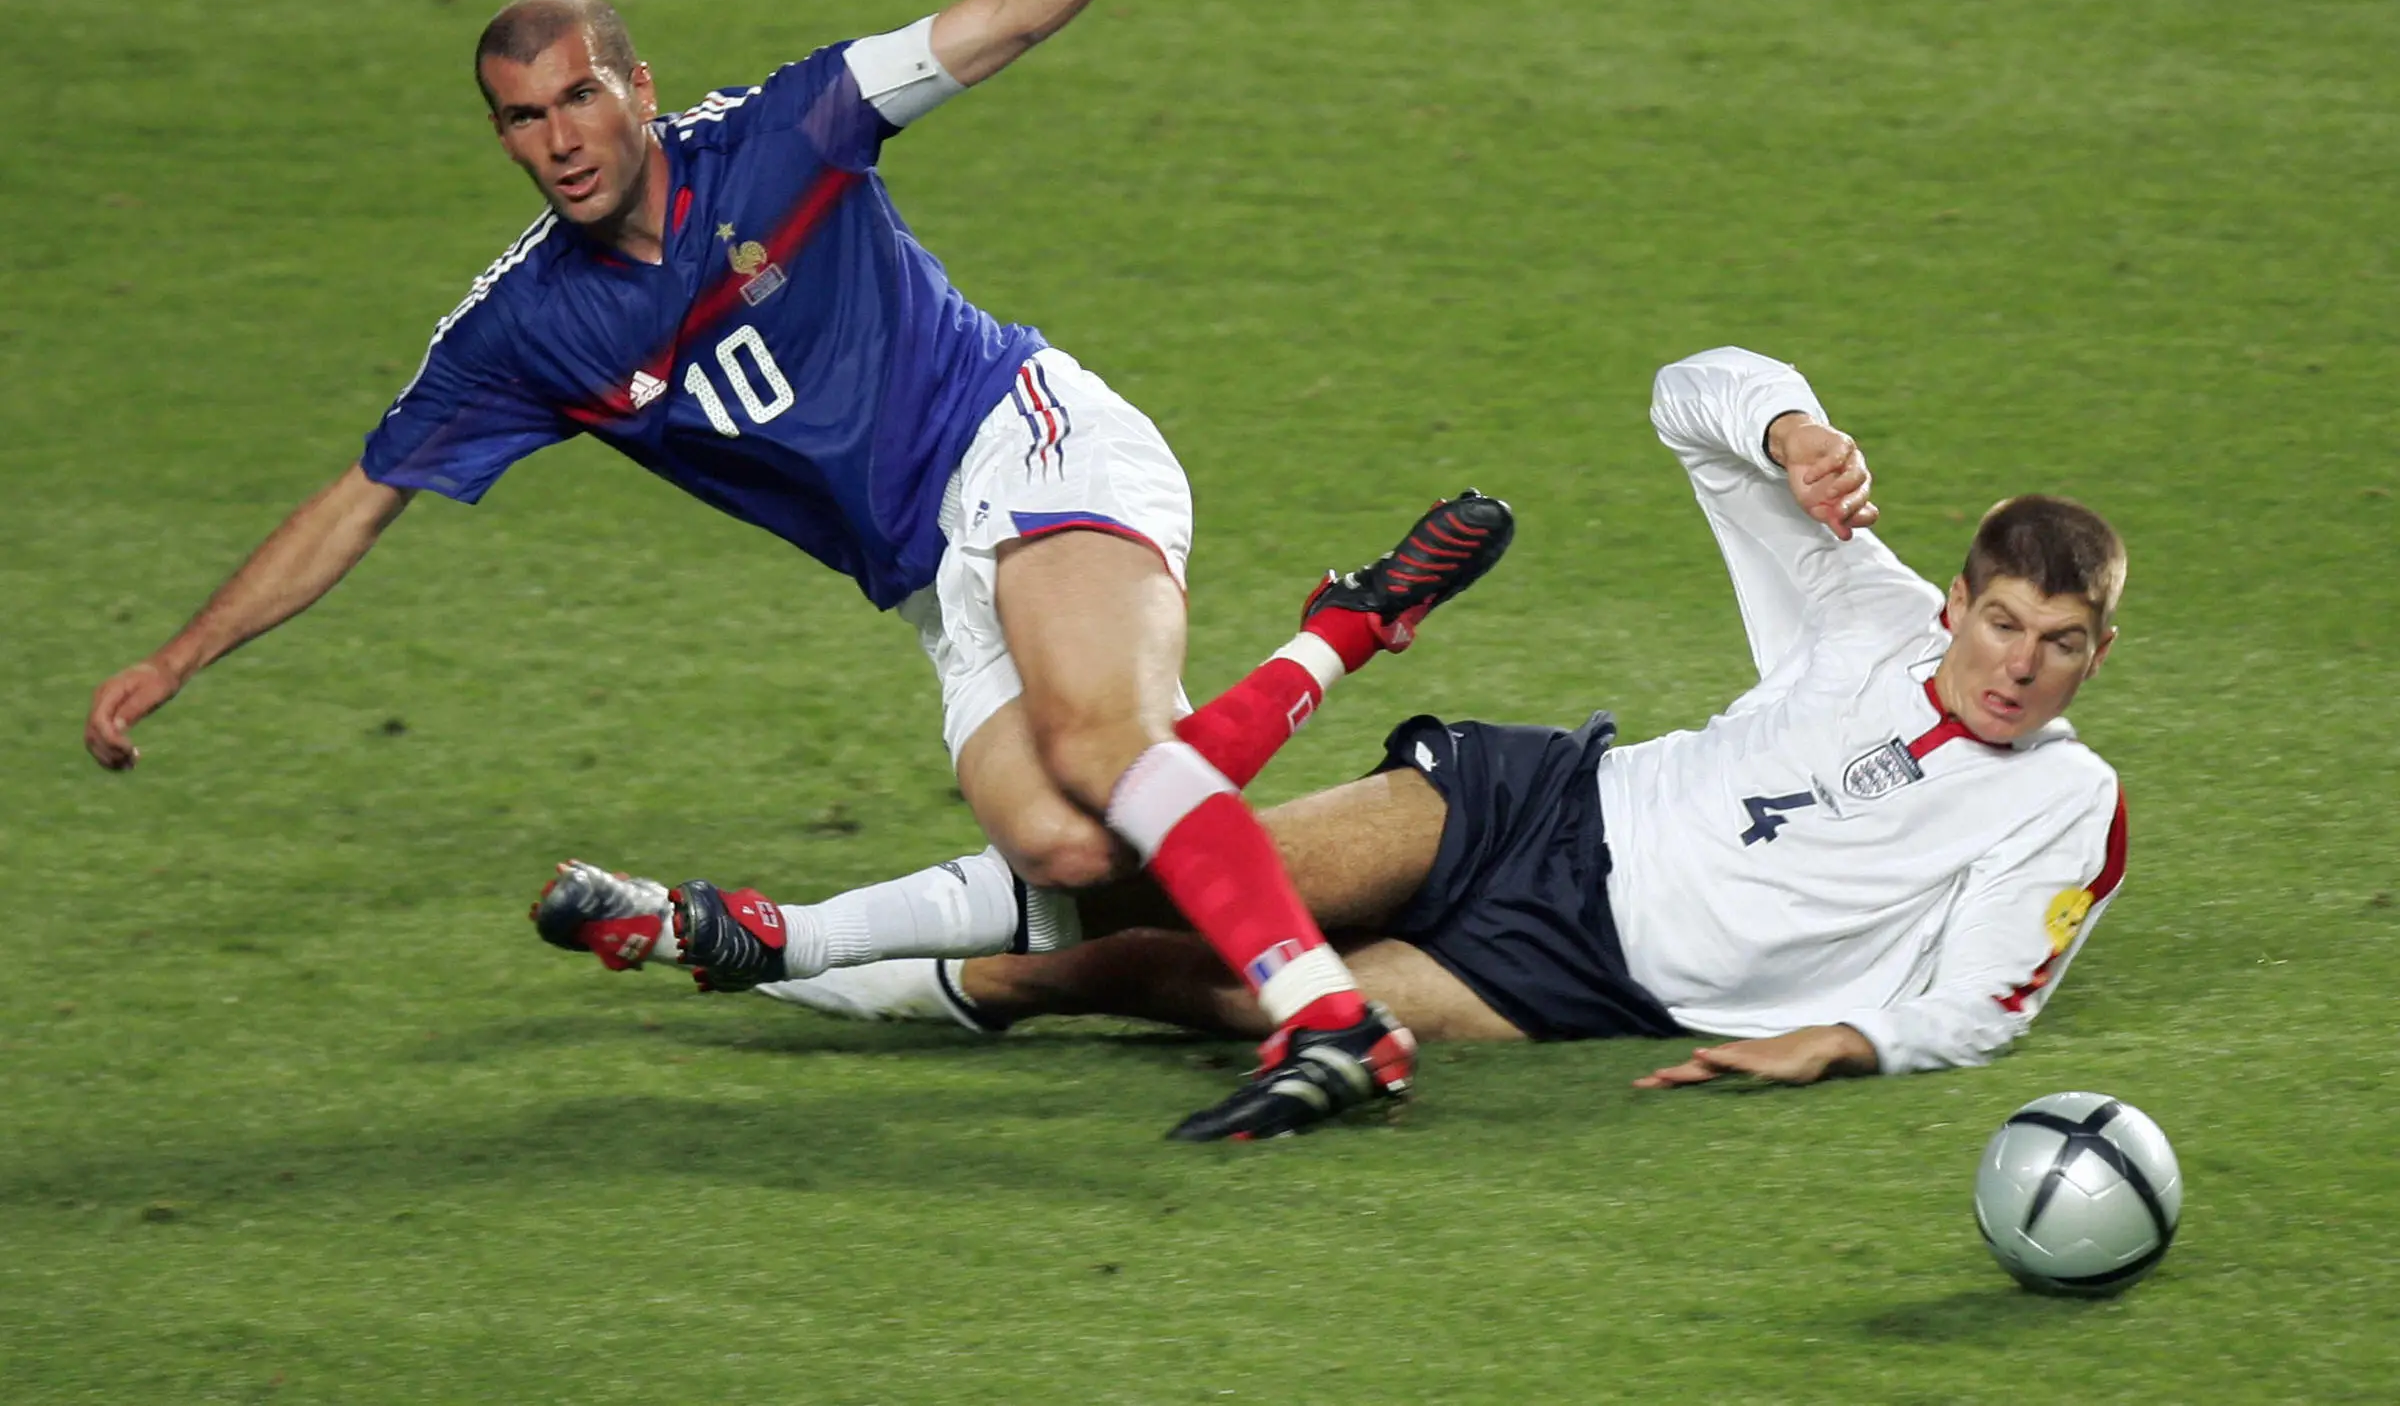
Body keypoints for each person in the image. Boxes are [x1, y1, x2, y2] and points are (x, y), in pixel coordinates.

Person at [80, 0, 1516, 1141]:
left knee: (1102, 739)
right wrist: (177, 657)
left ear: (639, 88)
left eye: (581, 97)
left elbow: (1007, 13)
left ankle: (1330, 1018)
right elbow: (359, 498)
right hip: (929, 577)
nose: (561, 139)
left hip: (1024, 441)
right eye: (523, 119)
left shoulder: (788, 130)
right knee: (1069, 845)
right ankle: (1340, 632)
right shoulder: (523, 330)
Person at [684, 347, 2132, 1122]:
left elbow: (1988, 1001)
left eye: (2061, 643)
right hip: (1542, 804)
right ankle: (786, 941)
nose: (2019, 667)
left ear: (2098, 653)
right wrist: (1790, 432)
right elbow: (1687, 392)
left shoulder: (2069, 806)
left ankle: (874, 977)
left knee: (1181, 985)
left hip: (1587, 976)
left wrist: (1846, 1040)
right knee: (1184, 879)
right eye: (2002, 622)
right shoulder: (1869, 607)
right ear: (1957, 601)